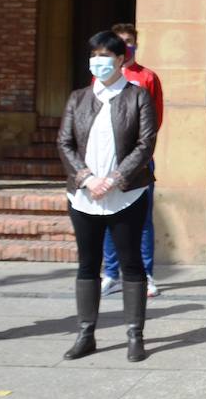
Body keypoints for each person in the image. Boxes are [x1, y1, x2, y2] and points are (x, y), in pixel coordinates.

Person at [57, 31, 157, 362]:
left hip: (126, 194)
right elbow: (65, 143)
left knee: (131, 263)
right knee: (88, 265)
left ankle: (134, 335)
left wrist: (115, 178)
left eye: (105, 56)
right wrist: (86, 179)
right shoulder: (78, 98)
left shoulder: (137, 96)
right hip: (85, 197)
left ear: (120, 59)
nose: (98, 62)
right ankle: (86, 334)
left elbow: (145, 143)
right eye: (94, 55)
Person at [100, 23, 164, 299]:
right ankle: (111, 273)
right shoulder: (101, 77)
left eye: (129, 41)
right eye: (120, 41)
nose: (125, 46)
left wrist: (141, 151)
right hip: (107, 161)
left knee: (143, 218)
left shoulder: (147, 77)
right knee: (106, 216)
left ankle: (146, 273)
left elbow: (155, 118)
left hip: (139, 161)